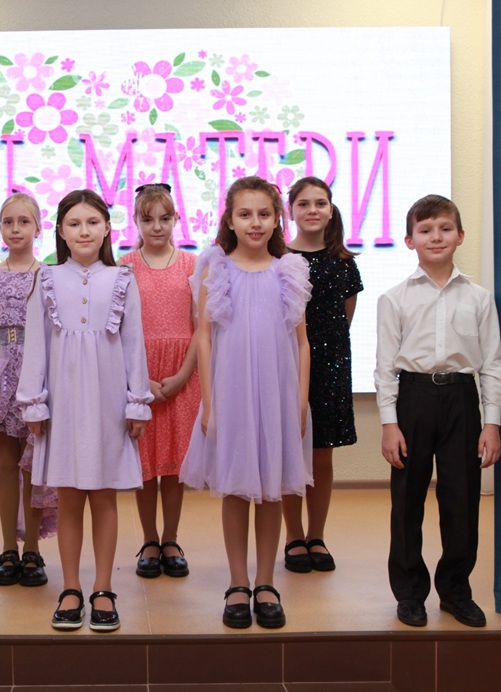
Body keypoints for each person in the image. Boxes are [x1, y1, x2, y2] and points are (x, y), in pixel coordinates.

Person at [180, 176, 313, 630]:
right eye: (245, 214)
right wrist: (209, 403)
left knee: (272, 488)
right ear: (231, 220)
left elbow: (302, 343)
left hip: (277, 396)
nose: (255, 222)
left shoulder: (288, 270)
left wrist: (300, 402)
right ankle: (238, 582)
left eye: (264, 214)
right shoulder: (215, 271)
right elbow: (204, 339)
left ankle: (265, 581)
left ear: (277, 220)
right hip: (231, 395)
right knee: (236, 489)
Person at [17, 189, 152, 632]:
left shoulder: (122, 279)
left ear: (107, 228)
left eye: (92, 222)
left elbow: (134, 344)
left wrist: (137, 401)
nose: (84, 231)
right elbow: (36, 344)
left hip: (109, 401)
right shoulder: (47, 279)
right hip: (63, 403)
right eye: (74, 224)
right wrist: (33, 401)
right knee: (69, 497)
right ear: (60, 231)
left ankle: (103, 588)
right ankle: (71, 587)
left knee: (105, 497)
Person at [375, 194, 501, 628]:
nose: (436, 237)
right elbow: (384, 368)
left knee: (461, 500)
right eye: (425, 230)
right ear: (409, 240)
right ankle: (410, 592)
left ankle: (455, 590)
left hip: (461, 401)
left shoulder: (479, 298)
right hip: (413, 399)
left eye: (445, 228)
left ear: (460, 236)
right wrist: (389, 424)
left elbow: (492, 365)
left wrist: (491, 423)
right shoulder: (394, 299)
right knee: (407, 501)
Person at [0, 192, 57, 587]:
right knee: (6, 461)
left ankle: (33, 549)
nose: (15, 229)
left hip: (37, 371)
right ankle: (8, 549)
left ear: (38, 227)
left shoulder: (49, 275)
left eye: (24, 221)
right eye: (8, 222)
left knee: (34, 462)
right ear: (0, 227)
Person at [281, 176, 363, 573]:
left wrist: (326, 359)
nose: (312, 210)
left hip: (330, 366)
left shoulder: (344, 262)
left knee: (320, 456)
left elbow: (344, 319)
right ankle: (293, 535)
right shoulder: (280, 259)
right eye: (304, 203)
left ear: (331, 210)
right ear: (290, 211)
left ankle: (317, 535)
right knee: (289, 453)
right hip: (286, 365)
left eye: (320, 203)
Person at [119, 183, 200, 579]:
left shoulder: (192, 265)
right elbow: (118, 330)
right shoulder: (124, 266)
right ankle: (149, 539)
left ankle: (171, 538)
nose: (156, 226)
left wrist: (183, 374)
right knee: (146, 464)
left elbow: (202, 327)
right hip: (140, 375)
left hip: (183, 375)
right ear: (135, 220)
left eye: (164, 218)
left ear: (176, 219)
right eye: (148, 219)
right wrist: (142, 379)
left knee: (174, 467)